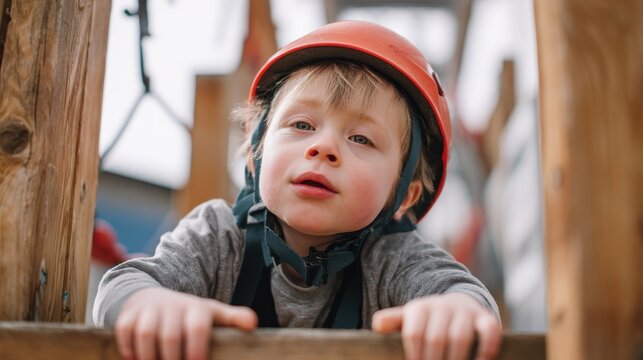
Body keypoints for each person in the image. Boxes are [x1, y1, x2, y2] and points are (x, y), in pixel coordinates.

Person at [94, 20, 502, 360]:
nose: (322, 148)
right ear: (255, 156)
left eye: (361, 139)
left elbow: (464, 295)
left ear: (405, 196)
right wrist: (149, 304)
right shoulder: (219, 236)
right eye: (302, 125)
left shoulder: (396, 260)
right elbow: (122, 284)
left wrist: (456, 310)